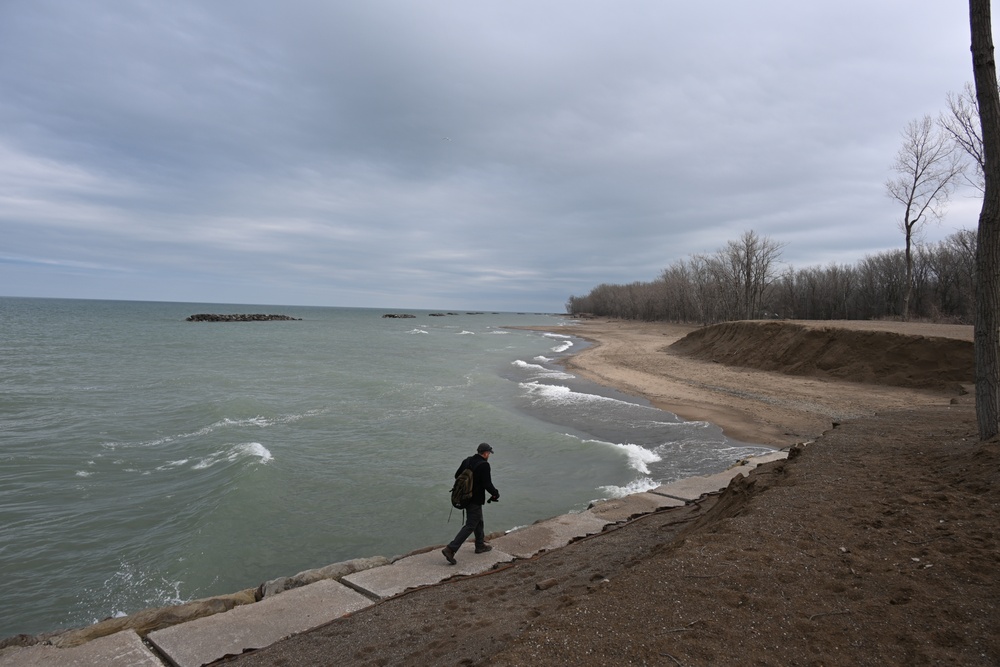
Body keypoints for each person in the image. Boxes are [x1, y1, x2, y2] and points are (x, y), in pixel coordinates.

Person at [442, 442, 500, 565]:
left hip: (464, 497)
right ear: (485, 453)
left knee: (478, 520)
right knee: (471, 524)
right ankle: (451, 549)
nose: (489, 455)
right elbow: (487, 484)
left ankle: (480, 545)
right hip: (475, 499)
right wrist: (495, 493)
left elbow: (457, 475)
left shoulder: (467, 460)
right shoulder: (484, 465)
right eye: (489, 453)